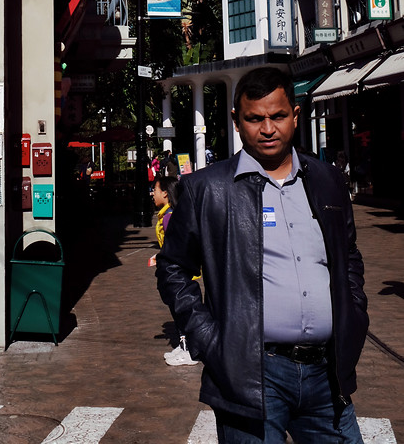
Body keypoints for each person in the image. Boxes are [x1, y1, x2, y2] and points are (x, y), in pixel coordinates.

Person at [156, 66, 368, 443]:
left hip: (326, 372)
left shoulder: (327, 181)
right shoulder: (207, 190)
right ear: (238, 122)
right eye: (255, 119)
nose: (268, 129)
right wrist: (210, 340)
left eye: (278, 116)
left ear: (296, 115)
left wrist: (355, 311)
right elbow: (173, 268)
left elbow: (347, 254)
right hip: (251, 374)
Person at [149, 175, 200, 367]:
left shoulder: (170, 216)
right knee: (178, 309)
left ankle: (190, 349)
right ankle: (183, 344)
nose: (152, 194)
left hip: (177, 272)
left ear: (165, 193)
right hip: (174, 268)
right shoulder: (167, 214)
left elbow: (177, 244)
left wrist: (164, 258)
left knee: (182, 309)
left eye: (155, 189)